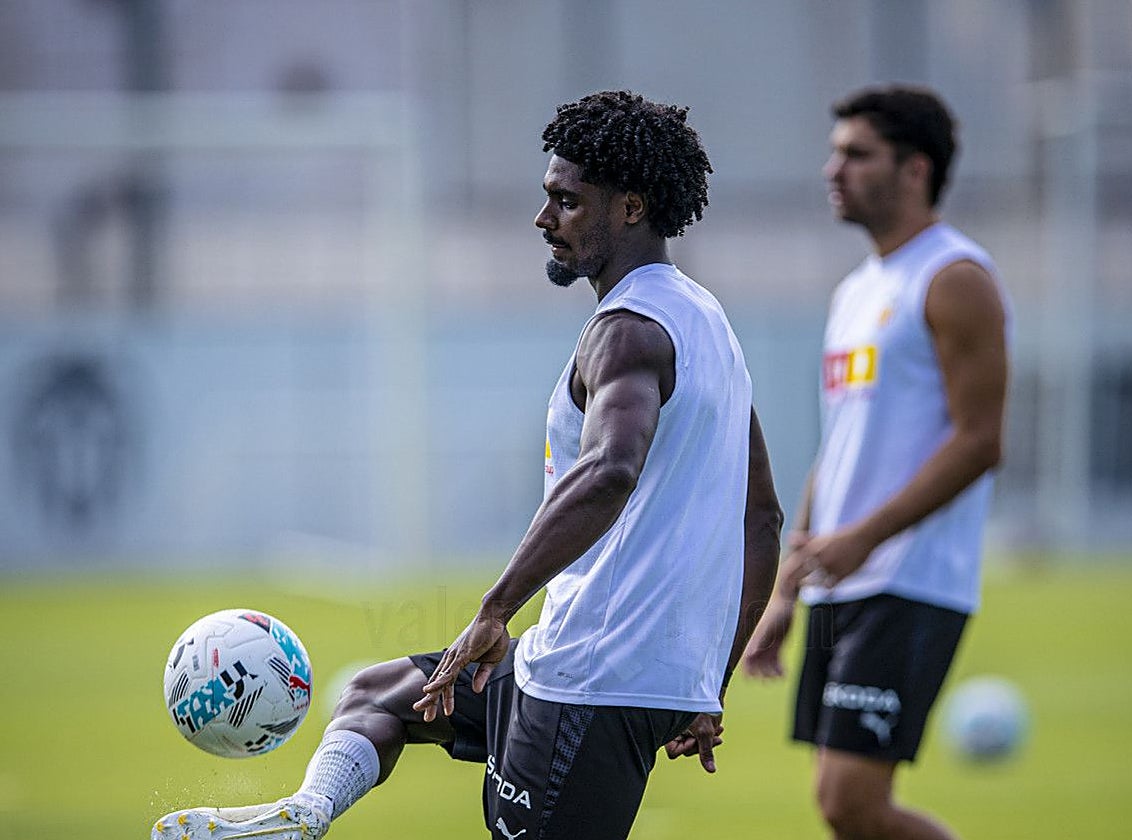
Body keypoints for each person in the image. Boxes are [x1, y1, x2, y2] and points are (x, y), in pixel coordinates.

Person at [151, 90, 783, 840]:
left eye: (567, 201)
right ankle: (305, 815)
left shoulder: (626, 333)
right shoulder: (708, 323)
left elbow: (611, 469)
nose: (544, 219)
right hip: (606, 667)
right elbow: (762, 516)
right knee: (378, 694)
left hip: (590, 679)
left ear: (632, 207)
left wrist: (494, 609)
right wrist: (707, 681)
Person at [742, 85, 1011, 840]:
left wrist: (866, 537)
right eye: (835, 153)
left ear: (914, 168)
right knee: (841, 806)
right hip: (840, 580)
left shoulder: (954, 278)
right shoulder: (856, 291)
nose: (834, 169)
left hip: (910, 577)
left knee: (852, 802)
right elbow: (843, 447)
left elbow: (981, 440)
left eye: (857, 154)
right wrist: (790, 588)